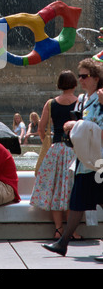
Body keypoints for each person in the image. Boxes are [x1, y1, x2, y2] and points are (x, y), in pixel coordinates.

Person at [43, 59, 103, 258]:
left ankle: (63, 242)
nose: (81, 80)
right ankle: (63, 242)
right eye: (80, 76)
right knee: (77, 200)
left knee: (82, 200)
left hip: (98, 161)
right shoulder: (83, 99)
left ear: (96, 78)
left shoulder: (101, 98)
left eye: (85, 76)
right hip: (85, 160)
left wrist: (74, 126)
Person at [30, 71, 80, 239]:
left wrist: (48, 142)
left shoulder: (51, 103)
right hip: (75, 149)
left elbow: (41, 128)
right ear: (74, 84)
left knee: (55, 189)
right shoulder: (80, 102)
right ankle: (71, 230)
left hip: (56, 149)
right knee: (72, 189)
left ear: (59, 84)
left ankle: (58, 229)